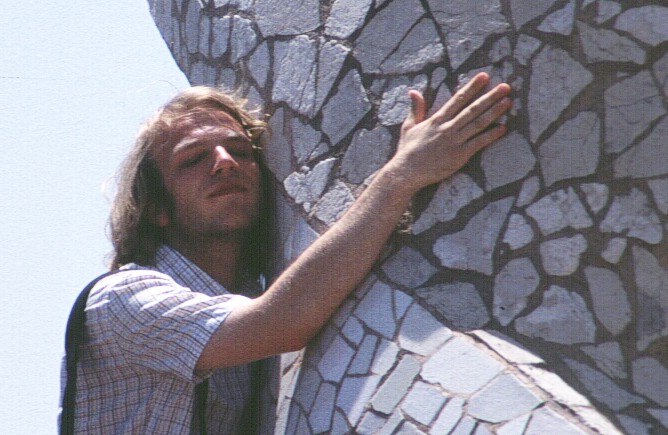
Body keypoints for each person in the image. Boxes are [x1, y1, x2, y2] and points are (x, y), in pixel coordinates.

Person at [61, 72, 512, 433]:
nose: (225, 161)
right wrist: (402, 175)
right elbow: (279, 322)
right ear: (158, 208)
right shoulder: (123, 301)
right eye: (193, 160)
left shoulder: (242, 296)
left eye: (241, 150)